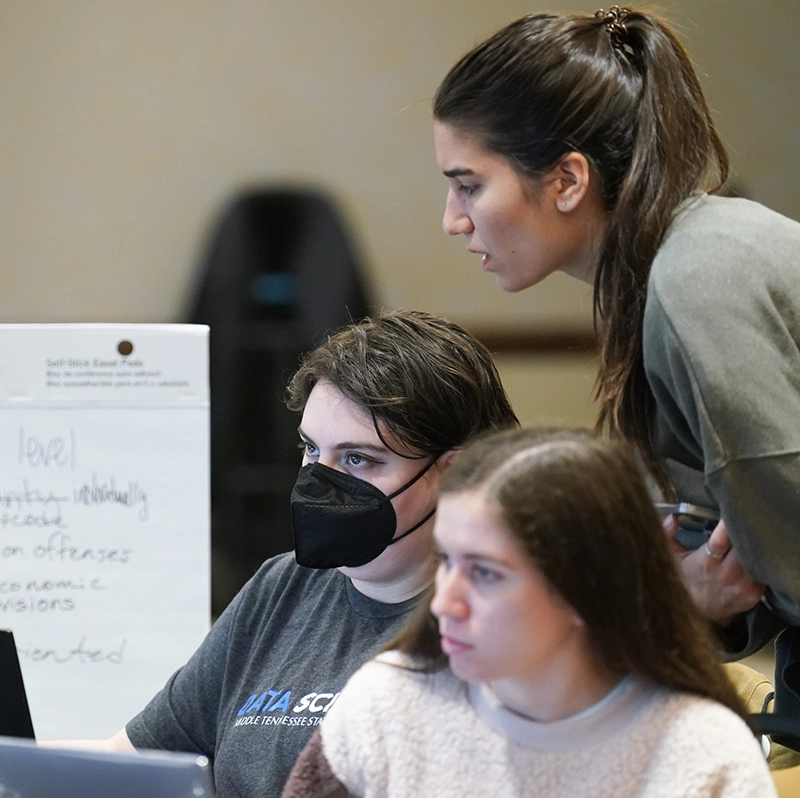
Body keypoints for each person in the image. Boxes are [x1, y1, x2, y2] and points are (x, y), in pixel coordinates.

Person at [430, 7, 800, 718]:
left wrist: (678, 599)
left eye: (469, 185)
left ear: (567, 180)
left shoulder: (701, 274)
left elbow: (782, 552)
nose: (452, 217)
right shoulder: (670, 271)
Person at [53, 309, 518, 798]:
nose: (321, 480)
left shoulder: (485, 623)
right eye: (312, 451)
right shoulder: (282, 587)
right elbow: (135, 759)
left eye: (358, 459)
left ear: (455, 474)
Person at [282, 428, 776, 798]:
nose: (445, 602)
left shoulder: (702, 753)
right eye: (448, 561)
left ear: (588, 588)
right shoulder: (385, 705)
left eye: (486, 574)